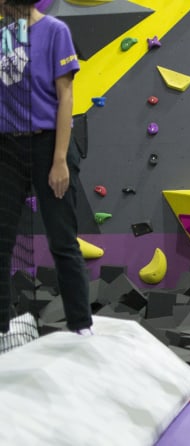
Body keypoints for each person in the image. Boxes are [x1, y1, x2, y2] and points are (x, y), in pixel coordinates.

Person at [0, 0, 93, 340]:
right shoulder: (5, 36)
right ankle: (0, 329)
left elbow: (65, 97)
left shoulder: (55, 31)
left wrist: (59, 160)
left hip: (47, 143)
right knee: (1, 241)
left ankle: (81, 325)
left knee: (63, 240)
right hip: (8, 146)